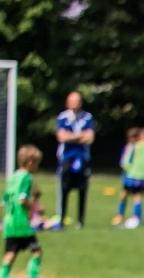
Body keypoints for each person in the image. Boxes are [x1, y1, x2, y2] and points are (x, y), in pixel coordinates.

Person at [0, 147, 48, 278]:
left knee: (9, 255)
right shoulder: (26, 177)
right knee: (37, 252)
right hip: (21, 223)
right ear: (30, 162)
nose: (37, 167)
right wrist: (37, 208)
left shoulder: (13, 177)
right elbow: (22, 199)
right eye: (37, 163)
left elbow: (5, 200)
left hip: (9, 222)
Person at [54, 91, 95, 229]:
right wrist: (80, 136)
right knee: (64, 189)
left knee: (83, 190)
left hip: (83, 158)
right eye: (72, 101)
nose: (74, 104)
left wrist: (71, 136)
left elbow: (90, 138)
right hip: (66, 158)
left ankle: (80, 221)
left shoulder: (87, 117)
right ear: (67, 102)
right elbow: (61, 137)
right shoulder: (62, 117)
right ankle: (61, 219)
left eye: (77, 101)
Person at [113, 128, 139, 226]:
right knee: (123, 195)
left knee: (137, 195)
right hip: (127, 176)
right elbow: (123, 162)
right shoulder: (127, 148)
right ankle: (120, 215)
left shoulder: (139, 149)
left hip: (136, 176)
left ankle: (136, 216)